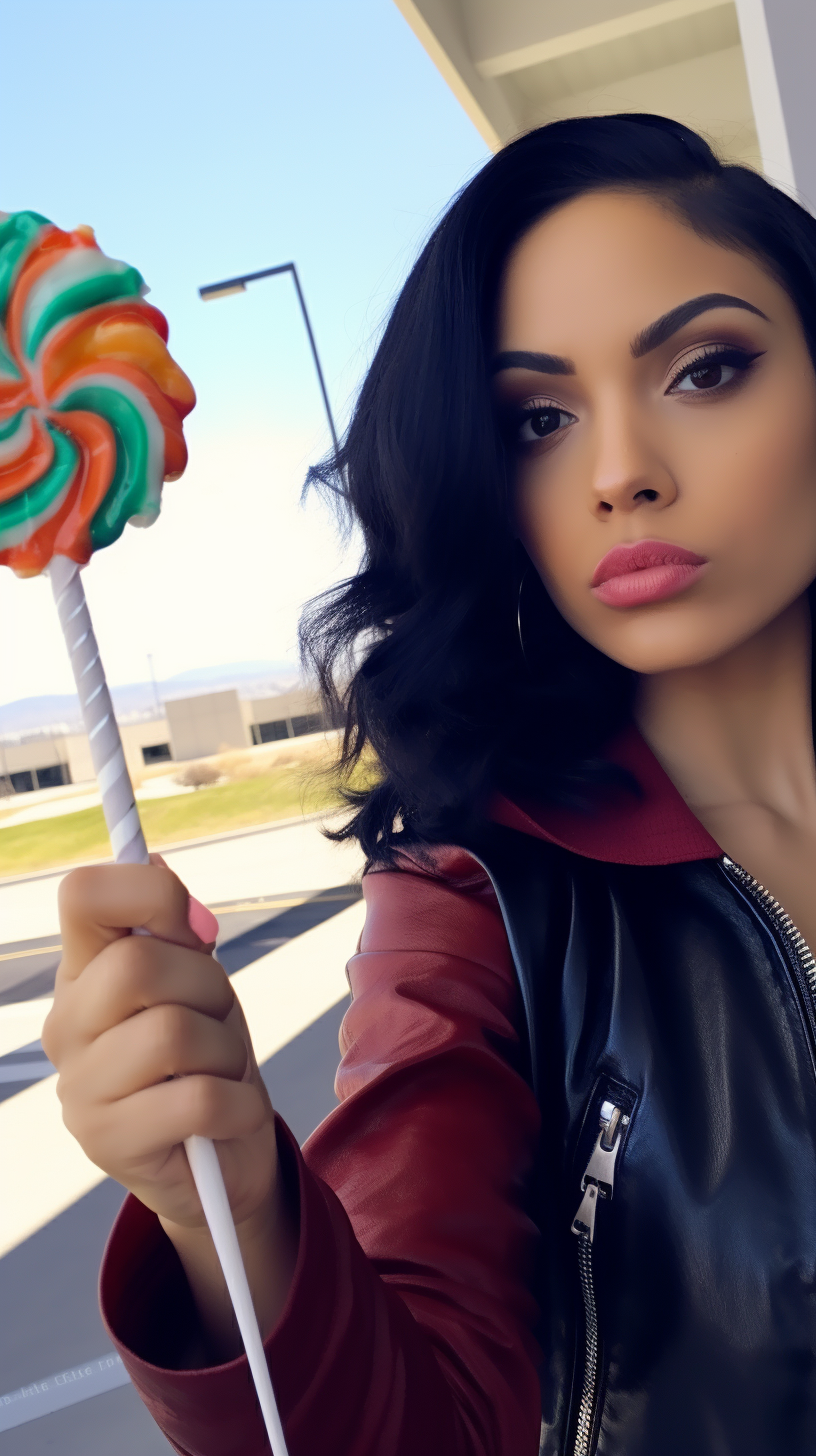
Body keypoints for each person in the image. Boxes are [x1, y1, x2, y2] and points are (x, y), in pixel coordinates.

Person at [43, 113, 816, 1455]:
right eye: (538, 419)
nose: (621, 470)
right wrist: (230, 1208)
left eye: (705, 369)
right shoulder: (472, 901)